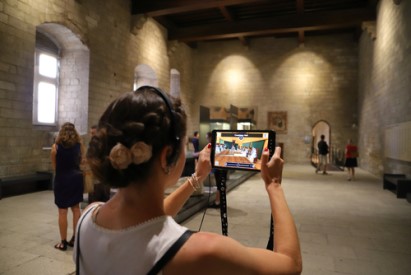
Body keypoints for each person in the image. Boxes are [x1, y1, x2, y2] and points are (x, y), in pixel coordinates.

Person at [74, 86, 302, 274]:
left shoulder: (87, 218)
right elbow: (290, 265)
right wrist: (274, 186)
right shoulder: (201, 252)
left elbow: (146, 222)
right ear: (166, 156)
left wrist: (197, 177)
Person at [51, 122, 84, 251]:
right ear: (74, 132)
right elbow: (81, 162)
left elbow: (55, 166)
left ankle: (63, 242)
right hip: (76, 179)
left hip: (62, 179)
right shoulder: (79, 146)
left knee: (62, 211)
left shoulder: (56, 147)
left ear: (61, 132)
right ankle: (75, 239)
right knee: (76, 209)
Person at [87, 124, 111, 203]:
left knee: (104, 203)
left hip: (103, 180)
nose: (92, 135)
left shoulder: (106, 145)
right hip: (94, 180)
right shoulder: (91, 146)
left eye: (93, 133)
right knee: (93, 204)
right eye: (91, 133)